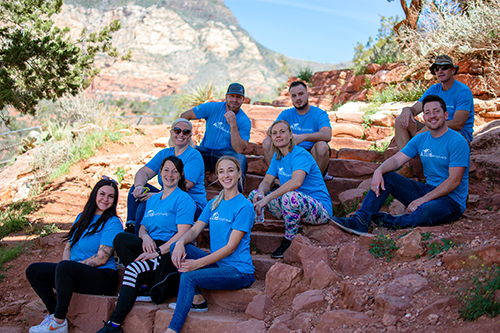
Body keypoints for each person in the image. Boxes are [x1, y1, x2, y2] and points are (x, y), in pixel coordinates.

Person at [332, 95, 470, 235]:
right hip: (428, 190)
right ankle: (361, 221)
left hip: (451, 201)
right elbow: (397, 160)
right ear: (423, 118)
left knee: (425, 211)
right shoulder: (421, 139)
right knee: (388, 176)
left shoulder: (457, 142)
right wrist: (378, 171)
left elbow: (454, 181)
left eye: (436, 111)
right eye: (427, 113)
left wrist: (422, 200)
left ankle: (389, 221)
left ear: (445, 115)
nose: (432, 116)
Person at [97, 156, 196, 333]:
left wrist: (158, 251)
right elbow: (142, 227)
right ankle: (143, 282)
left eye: (175, 171)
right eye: (166, 170)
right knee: (121, 238)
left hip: (169, 250)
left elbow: (183, 235)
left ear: (181, 175)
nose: (170, 174)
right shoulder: (153, 199)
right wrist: (146, 237)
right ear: (159, 173)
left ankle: (114, 325)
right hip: (150, 245)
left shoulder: (184, 199)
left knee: (132, 269)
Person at [164, 156, 255, 333]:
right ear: (217, 176)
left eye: (230, 170)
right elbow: (195, 230)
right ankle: (197, 299)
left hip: (239, 271)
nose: (225, 175)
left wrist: (196, 264)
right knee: (176, 247)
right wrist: (181, 241)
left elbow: (230, 247)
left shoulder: (245, 206)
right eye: (221, 171)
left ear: (238, 174)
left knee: (188, 276)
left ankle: (172, 329)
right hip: (217, 264)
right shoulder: (213, 203)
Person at [25, 177, 123, 333]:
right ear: (94, 195)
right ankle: (53, 315)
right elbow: (68, 246)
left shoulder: (113, 222)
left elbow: (102, 258)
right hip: (77, 272)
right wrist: (64, 270)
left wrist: (68, 268)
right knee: (34, 271)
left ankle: (59, 321)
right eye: (102, 194)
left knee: (64, 267)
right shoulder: (82, 217)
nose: (106, 199)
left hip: (102, 276)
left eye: (111, 196)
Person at [249, 120, 333, 258]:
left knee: (290, 196)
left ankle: (289, 241)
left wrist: (268, 198)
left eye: (282, 132)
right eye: (274, 133)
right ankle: (242, 235)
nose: (278, 135)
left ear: (290, 136)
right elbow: (266, 181)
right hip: (295, 206)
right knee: (254, 195)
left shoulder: (300, 154)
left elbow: (296, 182)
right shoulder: (277, 158)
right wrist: (261, 193)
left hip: (320, 210)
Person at [394, 55, 474, 177]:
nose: (440, 71)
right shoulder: (434, 89)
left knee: (435, 134)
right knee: (401, 120)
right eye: (437, 69)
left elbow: (458, 123)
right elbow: (414, 109)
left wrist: (427, 129)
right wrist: (406, 110)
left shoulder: (463, 91)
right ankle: (406, 168)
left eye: (444, 68)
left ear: (452, 70)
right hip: (434, 130)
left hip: (457, 135)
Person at [126, 118, 206, 233]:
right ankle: (131, 227)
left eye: (185, 132)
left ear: (190, 136)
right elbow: (143, 172)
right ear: (171, 132)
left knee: (146, 205)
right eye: (177, 130)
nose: (181, 134)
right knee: (136, 190)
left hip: (190, 203)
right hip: (165, 197)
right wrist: (139, 186)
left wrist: (156, 196)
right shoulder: (165, 153)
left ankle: (139, 239)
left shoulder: (194, 156)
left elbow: (186, 184)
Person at [180, 83, 251, 184]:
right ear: (226, 97)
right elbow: (184, 116)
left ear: (243, 100)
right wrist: (186, 139)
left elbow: (239, 150)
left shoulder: (244, 121)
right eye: (232, 96)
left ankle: (236, 196)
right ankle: (177, 190)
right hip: (205, 153)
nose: (235, 100)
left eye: (238, 97)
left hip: (225, 158)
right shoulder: (213, 107)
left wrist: (233, 125)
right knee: (185, 152)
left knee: (241, 159)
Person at [262, 81, 333, 180]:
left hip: (311, 154)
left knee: (322, 146)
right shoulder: (286, 114)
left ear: (308, 95)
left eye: (301, 94)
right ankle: (278, 179)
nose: (298, 98)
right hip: (289, 152)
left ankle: (314, 181)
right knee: (267, 141)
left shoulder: (319, 114)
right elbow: (270, 131)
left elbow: (327, 135)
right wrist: (287, 137)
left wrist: (303, 137)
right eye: (294, 96)